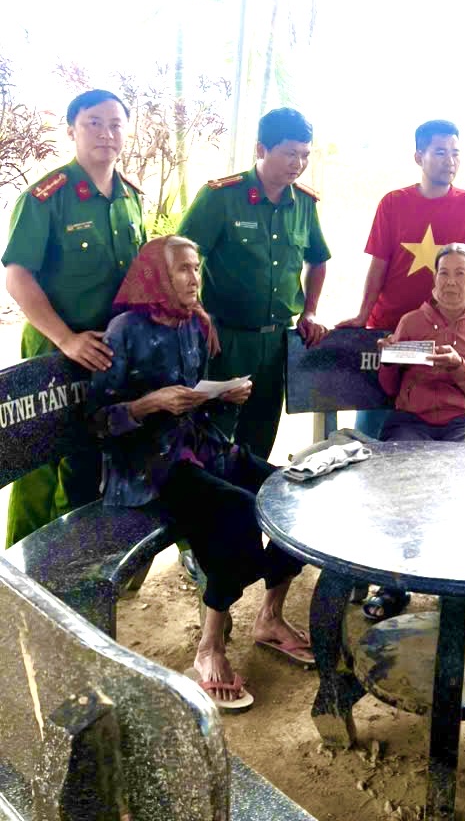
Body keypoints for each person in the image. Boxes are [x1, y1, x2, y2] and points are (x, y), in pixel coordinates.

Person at [87, 236, 310, 711]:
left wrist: (221, 395)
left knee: (294, 493)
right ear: (157, 276)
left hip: (198, 447)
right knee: (237, 510)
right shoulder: (124, 331)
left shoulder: (194, 324)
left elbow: (193, 398)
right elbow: (97, 422)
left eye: (196, 268)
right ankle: (209, 648)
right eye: (183, 270)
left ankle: (269, 617)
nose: (194, 279)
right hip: (147, 467)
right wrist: (150, 404)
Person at [2, 88, 146, 546]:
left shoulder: (130, 197)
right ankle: (19, 573)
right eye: (93, 123)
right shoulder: (48, 196)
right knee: (39, 465)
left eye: (116, 124)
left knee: (89, 456)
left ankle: (71, 563)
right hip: (54, 346)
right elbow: (17, 275)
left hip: (109, 352)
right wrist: (66, 339)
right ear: (71, 131)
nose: (106, 133)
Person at [179, 107, 331, 461]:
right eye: (290, 153)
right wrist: (197, 312)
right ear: (261, 149)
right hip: (224, 339)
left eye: (305, 155)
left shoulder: (303, 203)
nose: (298, 164)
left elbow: (318, 259)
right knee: (212, 436)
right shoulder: (220, 197)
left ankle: (253, 496)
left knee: (260, 437)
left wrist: (309, 312)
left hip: (277, 341)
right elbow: (180, 261)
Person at [336, 119, 465, 438]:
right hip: (392, 330)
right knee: (375, 434)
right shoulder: (393, 203)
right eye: (439, 152)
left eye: (455, 153)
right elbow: (378, 265)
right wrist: (362, 316)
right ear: (418, 157)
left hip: (450, 331)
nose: (450, 161)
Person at [364, 243, 465, 621]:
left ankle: (458, 587)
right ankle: (394, 584)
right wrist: (388, 358)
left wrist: (458, 368)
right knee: (402, 479)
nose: (451, 282)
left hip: (462, 423)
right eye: (443, 273)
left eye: (460, 274)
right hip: (411, 420)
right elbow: (390, 388)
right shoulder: (412, 322)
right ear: (434, 280)